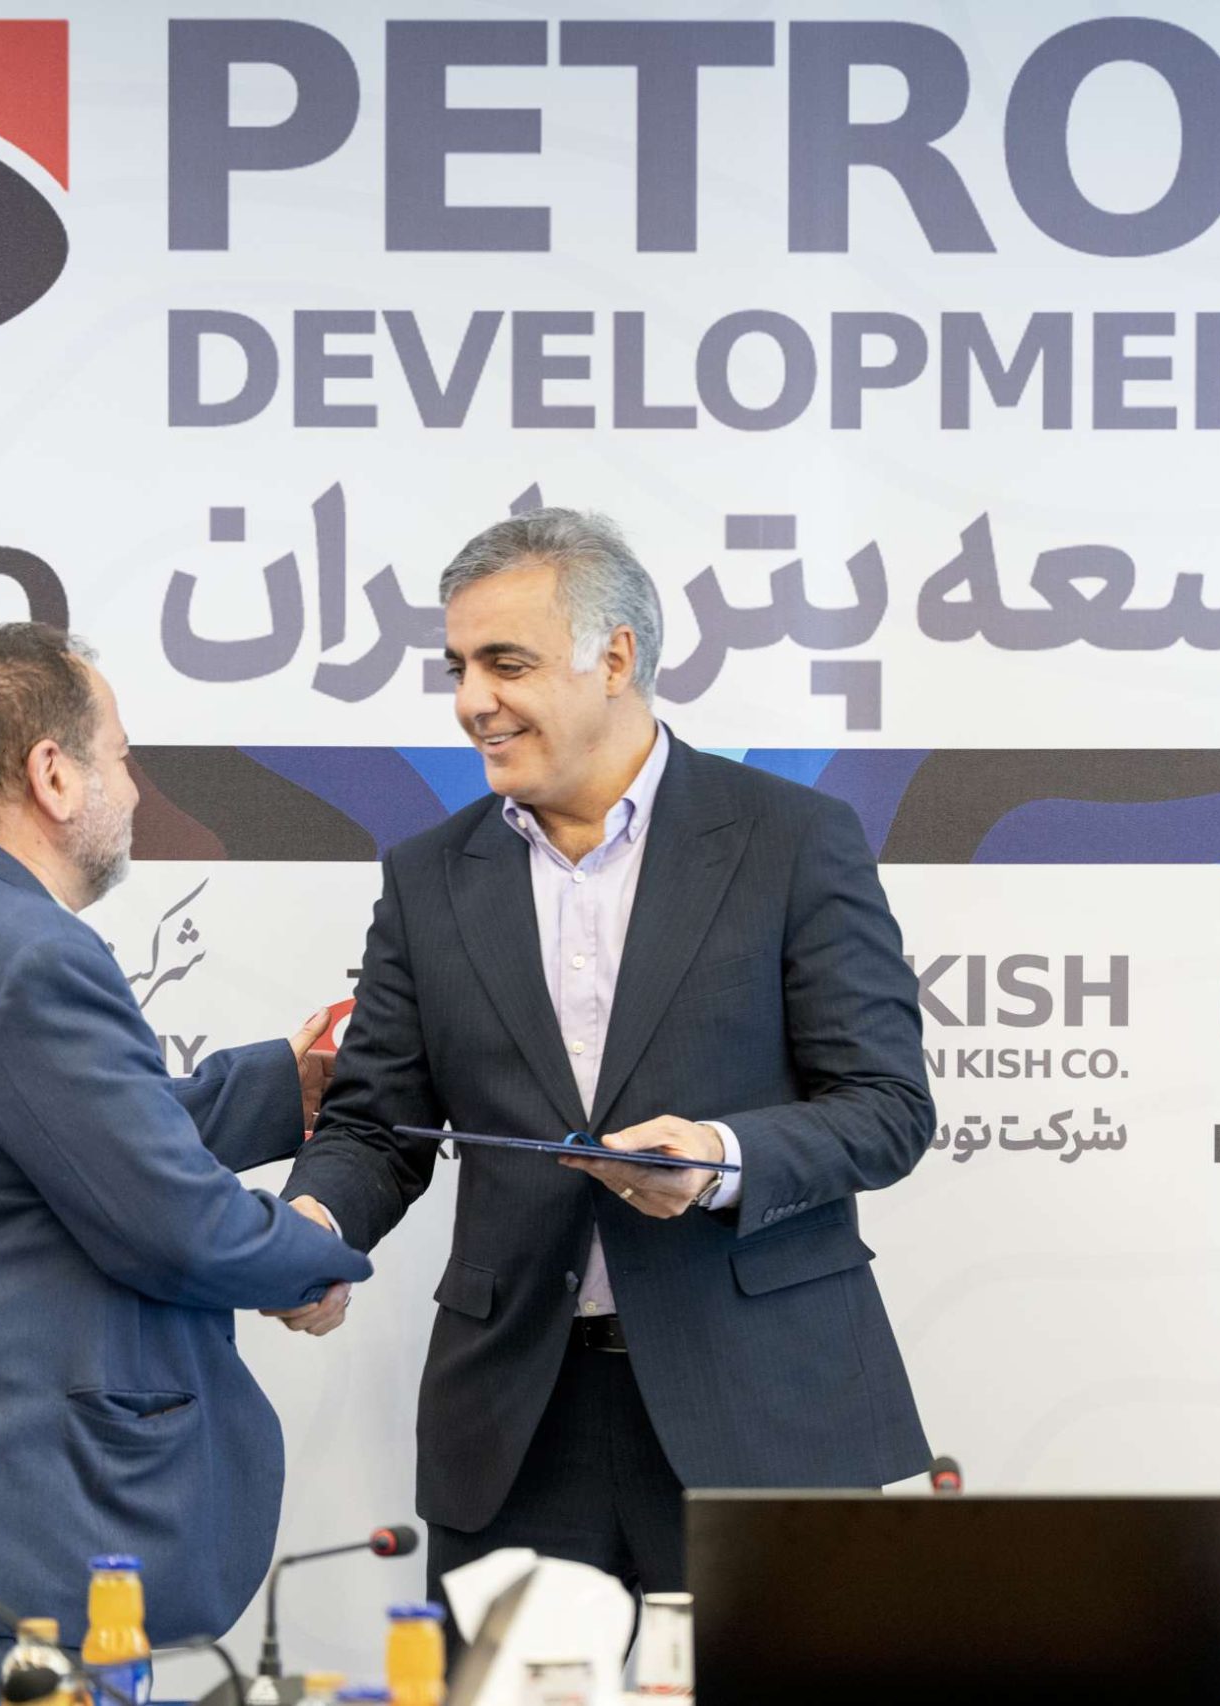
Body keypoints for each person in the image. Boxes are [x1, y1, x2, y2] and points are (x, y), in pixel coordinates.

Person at [275, 508, 934, 1605]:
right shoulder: (429, 876)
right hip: (515, 1426)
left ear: (616, 657)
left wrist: (719, 1158)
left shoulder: (791, 840)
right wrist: (317, 1224)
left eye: (507, 663)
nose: (472, 700)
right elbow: (374, 1126)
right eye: (458, 667)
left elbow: (886, 1104)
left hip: (762, 1410)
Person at [0, 623, 372, 1698]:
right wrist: (319, 1252)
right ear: (52, 774)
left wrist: (274, 1090)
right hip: (15, 1539)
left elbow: (64, 1144)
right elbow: (169, 1221)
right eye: (121, 757)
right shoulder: (30, 953)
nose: (135, 790)